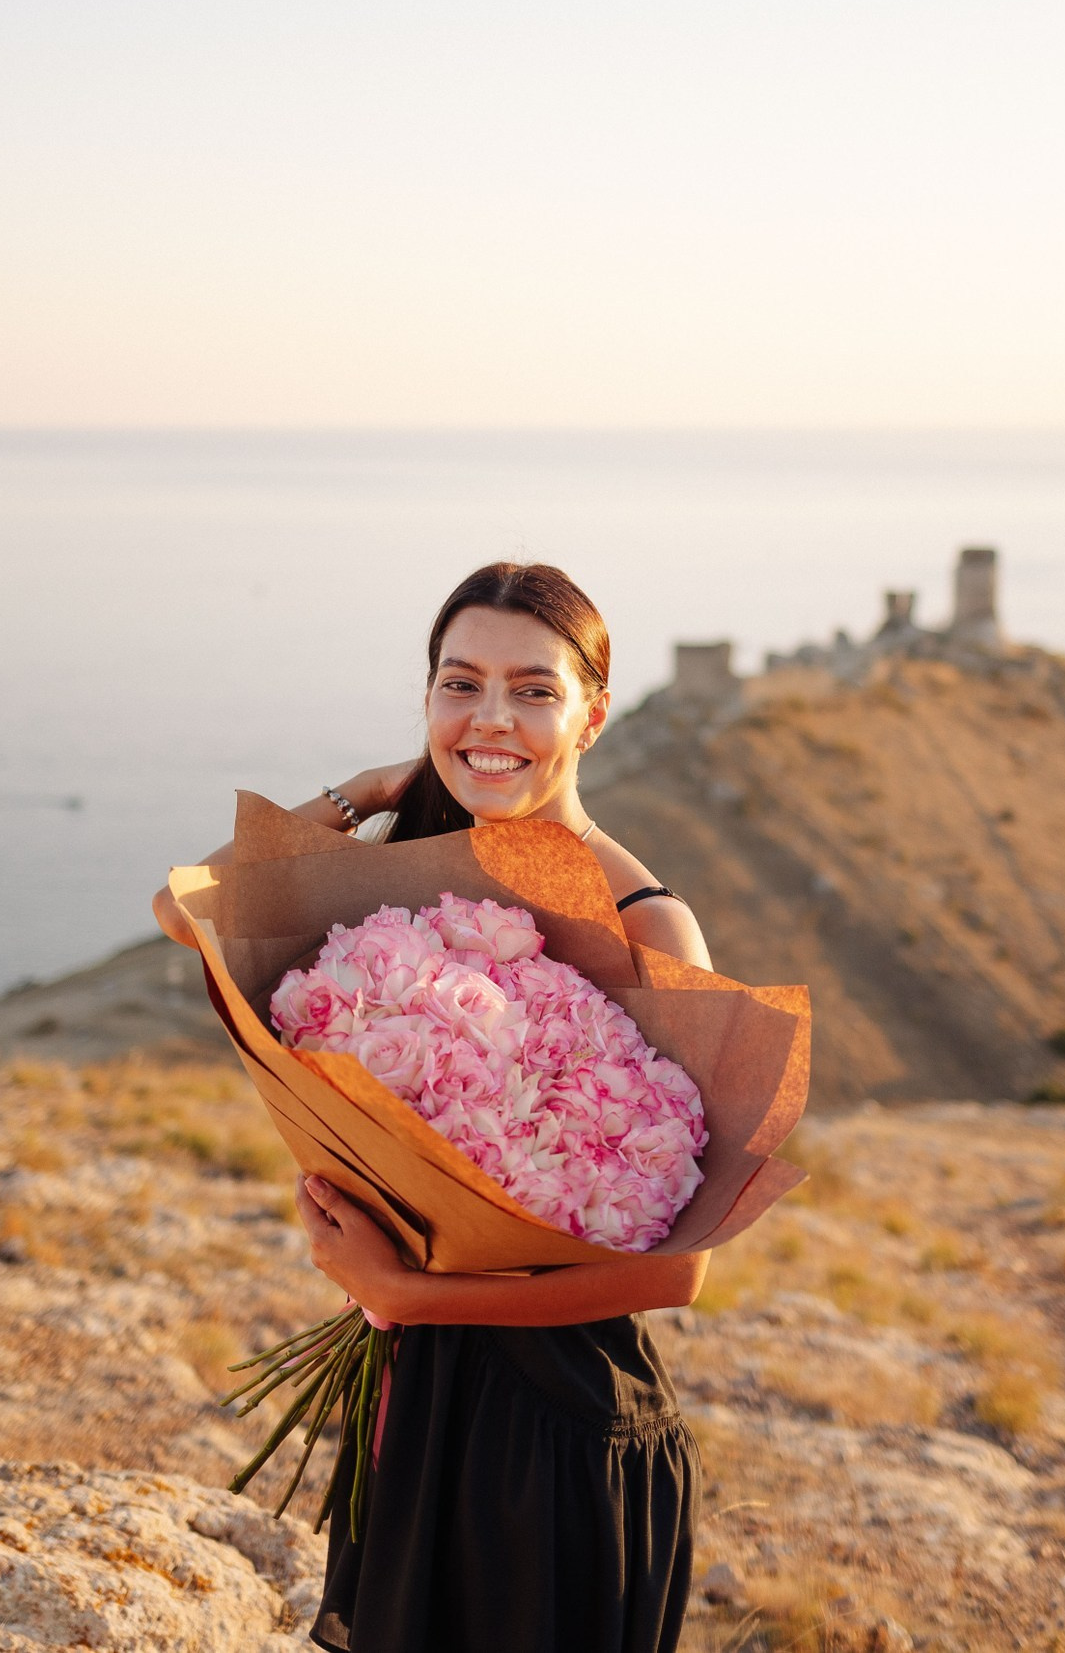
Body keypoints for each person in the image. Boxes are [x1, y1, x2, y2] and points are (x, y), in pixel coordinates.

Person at [152, 562, 708, 1653]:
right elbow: (184, 909)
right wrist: (366, 789)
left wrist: (408, 1292)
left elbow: (677, 1272)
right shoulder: (404, 870)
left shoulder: (649, 927)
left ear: (591, 715)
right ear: (425, 702)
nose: (493, 717)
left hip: (562, 1441)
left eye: (533, 692)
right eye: (461, 685)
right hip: (416, 1412)